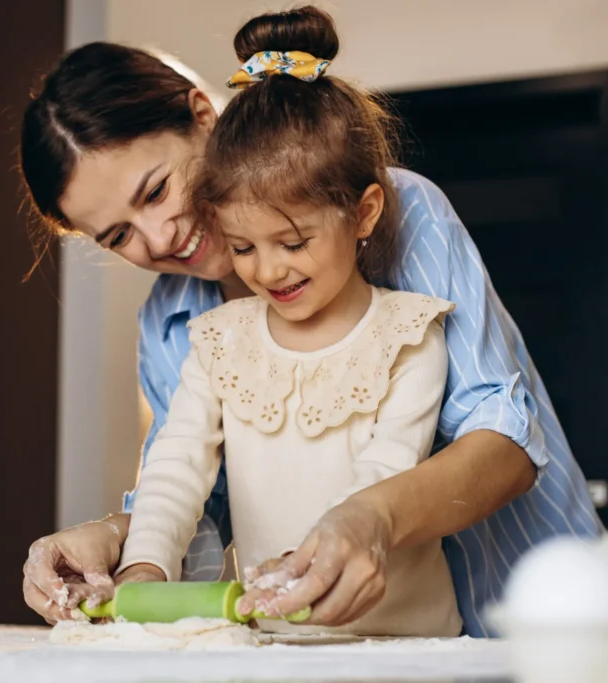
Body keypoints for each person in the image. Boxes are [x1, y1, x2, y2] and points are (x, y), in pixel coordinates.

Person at [19, 7, 602, 637]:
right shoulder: (175, 324)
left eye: (156, 191)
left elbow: (505, 443)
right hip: (331, 649)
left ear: (202, 116)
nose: (161, 236)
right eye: (118, 235)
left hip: (535, 609)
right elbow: (198, 496)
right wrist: (117, 543)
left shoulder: (406, 220)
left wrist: (370, 518)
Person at [114, 26, 463, 636]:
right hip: (272, 645)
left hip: (407, 648)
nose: (268, 270)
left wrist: (315, 560)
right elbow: (176, 465)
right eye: (243, 246)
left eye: (293, 242)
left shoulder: (408, 335)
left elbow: (383, 476)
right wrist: (144, 565)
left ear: (364, 213)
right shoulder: (218, 341)